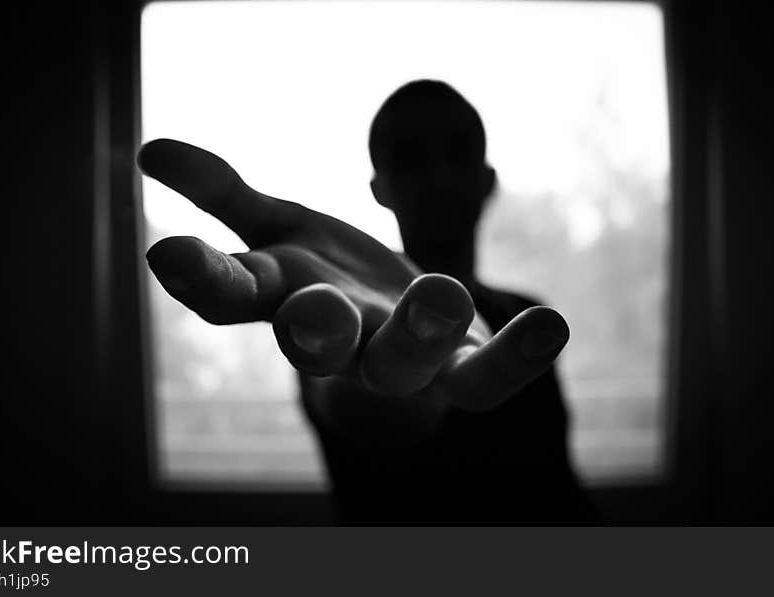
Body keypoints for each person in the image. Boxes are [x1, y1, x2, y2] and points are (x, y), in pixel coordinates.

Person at [138, 80, 594, 523]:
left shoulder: (524, 314)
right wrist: (379, 379)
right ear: (380, 188)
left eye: (458, 151)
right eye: (410, 157)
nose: (438, 175)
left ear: (487, 179)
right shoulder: (347, 318)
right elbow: (359, 408)